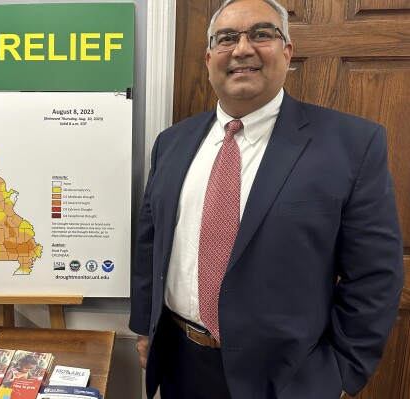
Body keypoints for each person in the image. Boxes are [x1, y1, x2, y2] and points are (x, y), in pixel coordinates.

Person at [129, 0, 404, 398]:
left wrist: (342, 374)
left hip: (288, 377)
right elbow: (150, 242)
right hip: (179, 363)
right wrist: (145, 328)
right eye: (226, 39)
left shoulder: (352, 146)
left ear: (287, 51)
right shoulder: (172, 143)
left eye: (261, 34)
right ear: (209, 58)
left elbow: (375, 276)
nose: (242, 49)